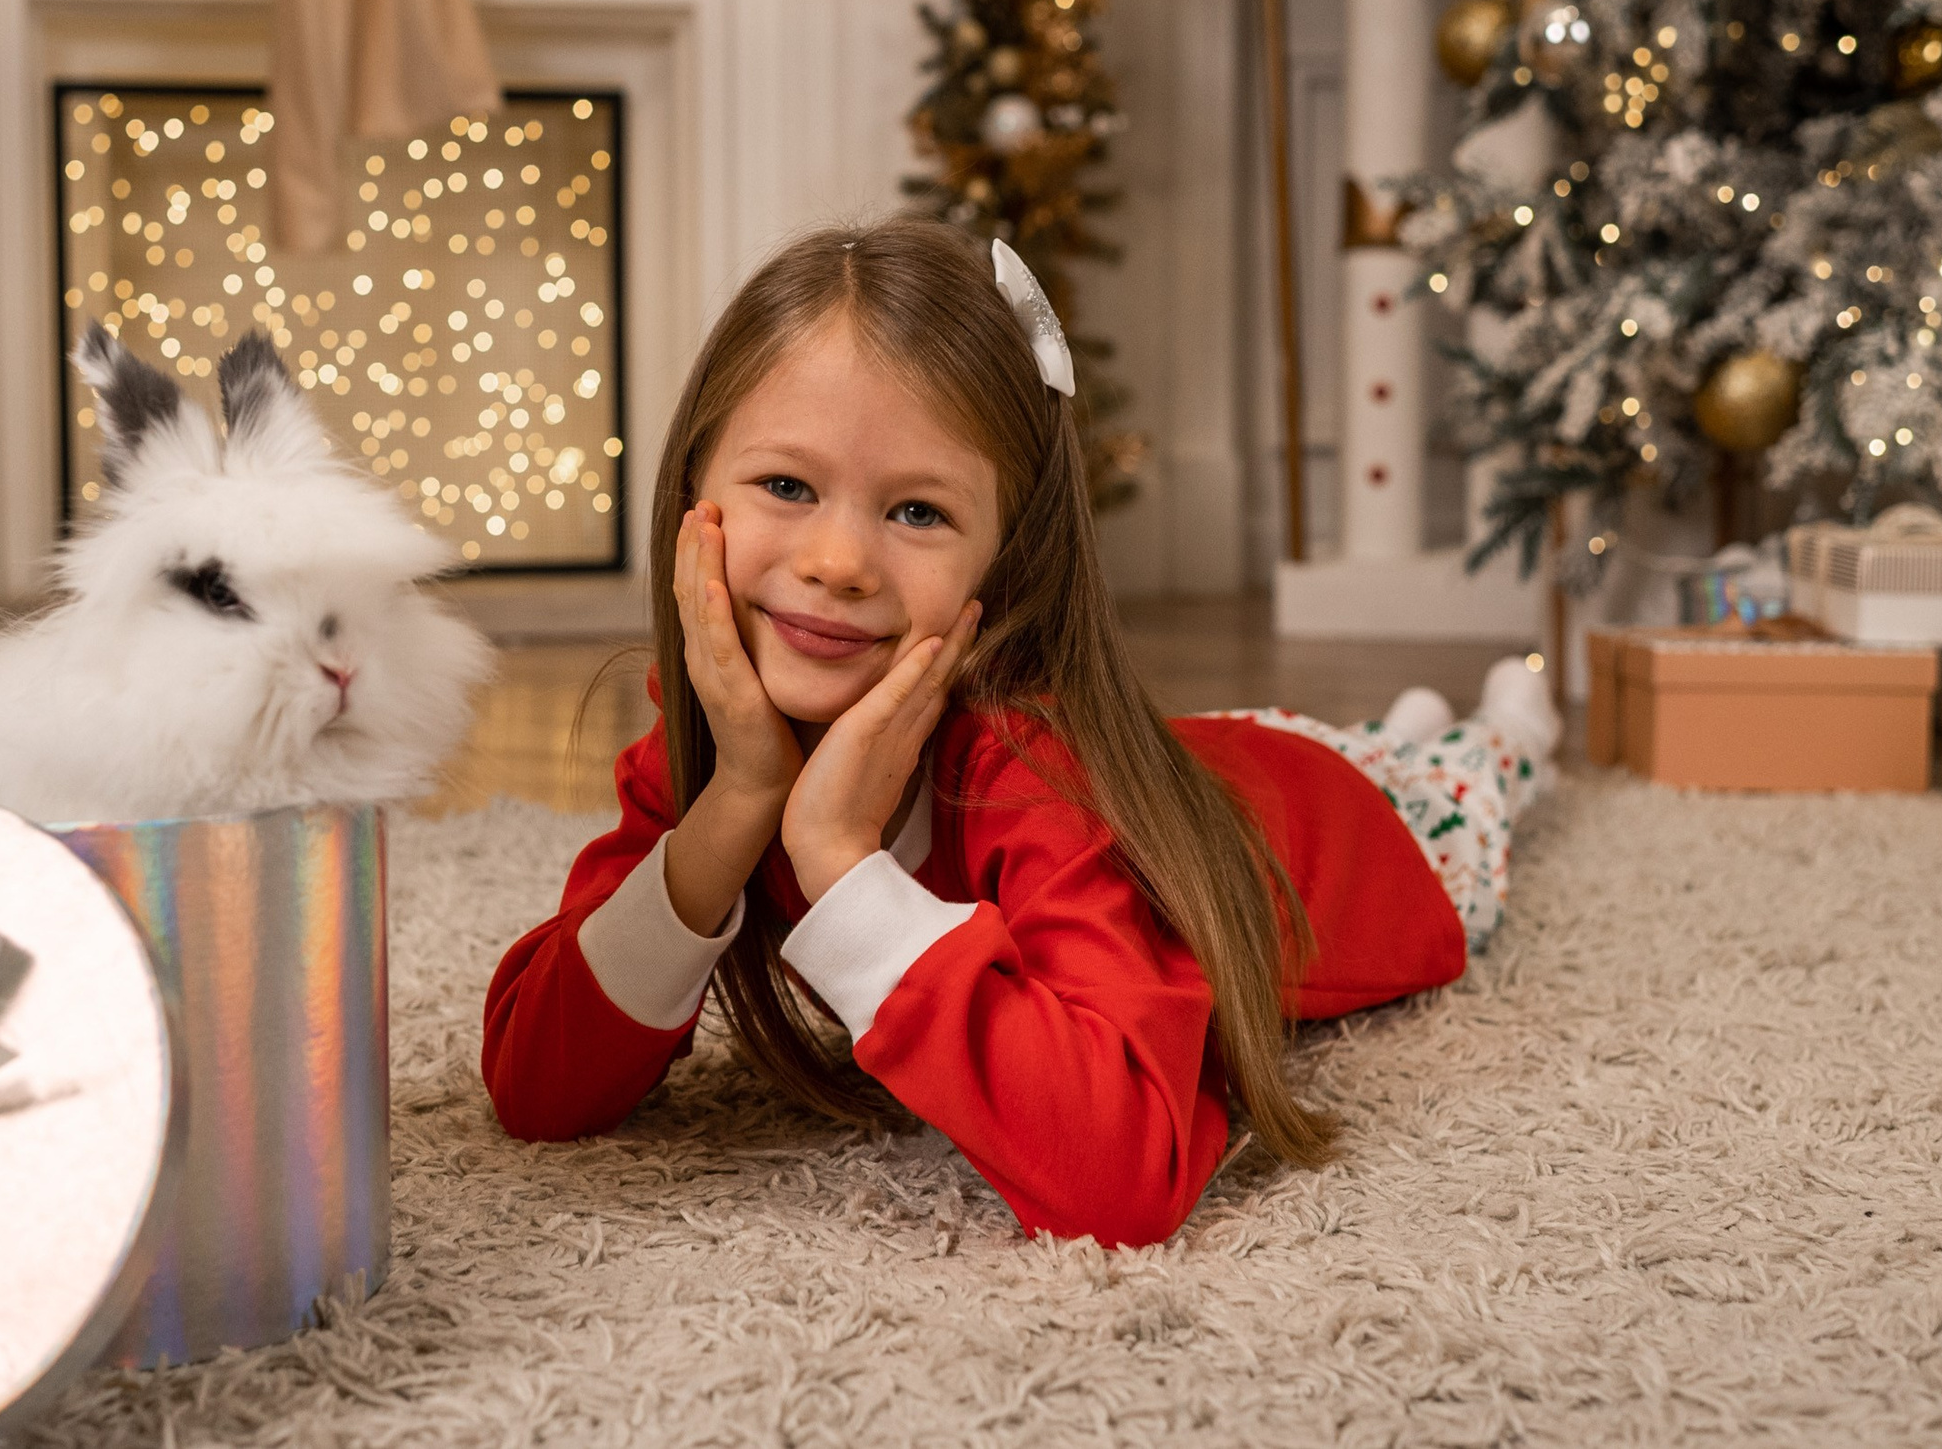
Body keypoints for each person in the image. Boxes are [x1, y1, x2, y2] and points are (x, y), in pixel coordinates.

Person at [479, 217, 1558, 1249]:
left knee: (1462, 770)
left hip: (1355, 828)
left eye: (916, 512)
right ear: (688, 500)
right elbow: (537, 1085)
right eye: (785, 485)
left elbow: (1127, 1169)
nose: (838, 559)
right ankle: (1408, 722)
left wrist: (838, 861)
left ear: (1009, 563)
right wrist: (738, 803)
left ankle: (1505, 723)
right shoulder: (719, 737)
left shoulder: (1031, 770)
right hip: (1212, 760)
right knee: (1343, 738)